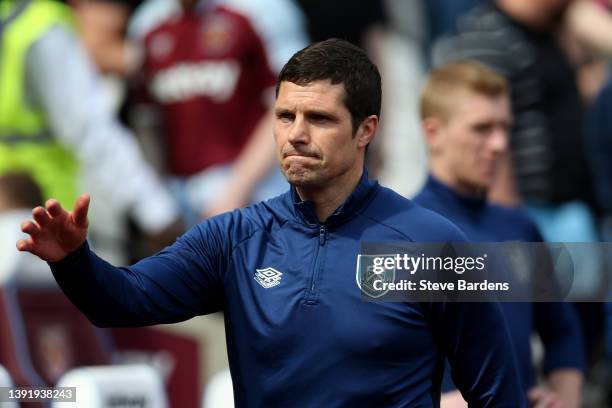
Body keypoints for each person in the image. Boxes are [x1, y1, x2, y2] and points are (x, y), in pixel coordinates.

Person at [17, 39, 526, 406]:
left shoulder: (432, 243)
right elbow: (121, 302)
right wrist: (74, 261)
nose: (296, 135)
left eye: (320, 119)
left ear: (366, 130)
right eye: (285, 117)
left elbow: (496, 393)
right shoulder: (233, 238)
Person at [413, 61, 585, 408]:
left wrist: (565, 401)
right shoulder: (401, 233)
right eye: (482, 128)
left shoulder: (518, 228)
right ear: (434, 133)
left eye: (505, 127)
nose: (499, 144)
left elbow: (563, 332)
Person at [0, 0, 181, 262]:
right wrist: (157, 214)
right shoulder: (40, 25)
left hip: (21, 220)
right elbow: (89, 129)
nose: (118, 18)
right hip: (50, 220)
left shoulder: (13, 19)